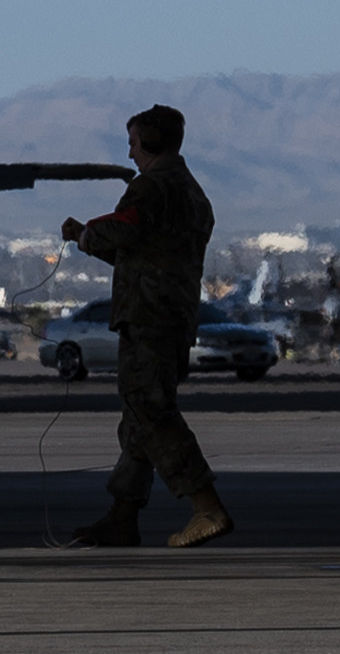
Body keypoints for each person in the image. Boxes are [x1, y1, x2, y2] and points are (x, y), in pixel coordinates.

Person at [60, 104, 230, 549]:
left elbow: (123, 230)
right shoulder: (191, 193)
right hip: (172, 316)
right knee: (138, 420)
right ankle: (122, 515)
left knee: (151, 411)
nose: (131, 153)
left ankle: (205, 505)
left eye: (135, 143)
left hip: (149, 317)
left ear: (152, 141)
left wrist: (84, 234)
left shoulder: (152, 187)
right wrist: (92, 241)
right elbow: (141, 252)